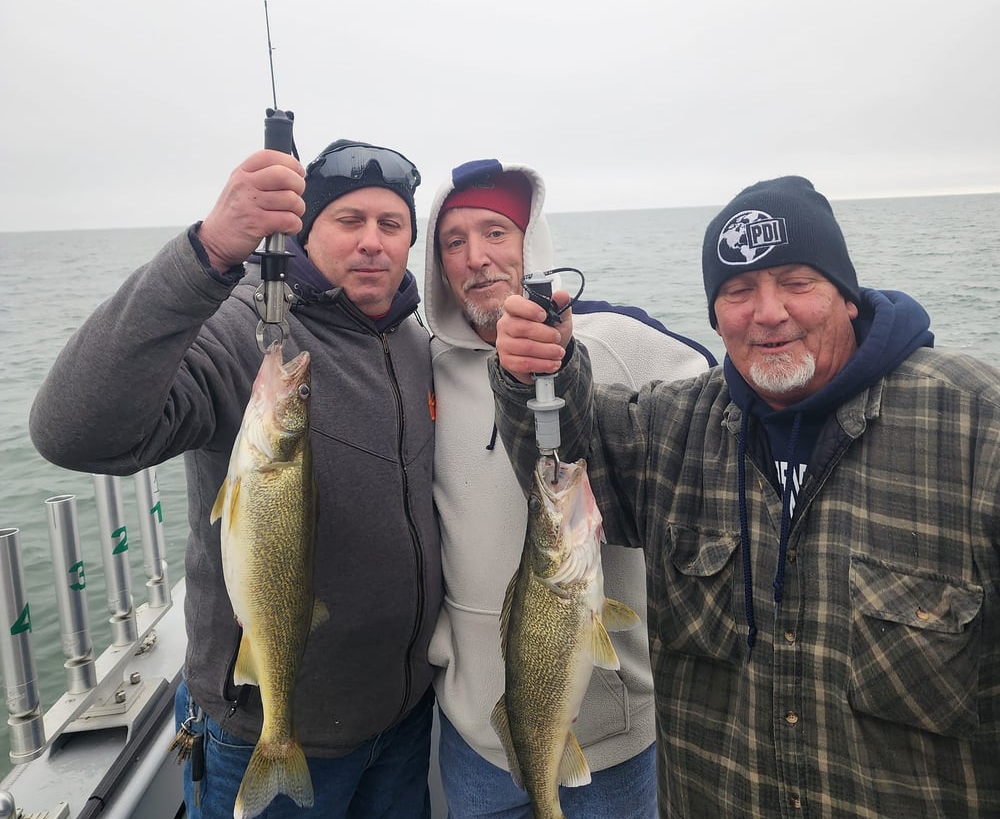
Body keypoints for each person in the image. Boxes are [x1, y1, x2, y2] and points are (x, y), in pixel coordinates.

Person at [489, 175, 1000, 818]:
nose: (767, 312)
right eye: (737, 290)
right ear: (715, 315)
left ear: (845, 294)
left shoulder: (979, 425)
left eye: (796, 281)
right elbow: (567, 458)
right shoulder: (673, 427)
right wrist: (537, 369)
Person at [30, 139, 442, 818]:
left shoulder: (416, 342)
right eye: (348, 220)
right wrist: (209, 253)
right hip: (260, 729)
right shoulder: (246, 328)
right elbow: (73, 430)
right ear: (307, 229)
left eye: (391, 224)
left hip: (401, 725)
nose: (372, 242)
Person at [423, 158, 715, 818]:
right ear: (437, 265)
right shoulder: (424, 365)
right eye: (454, 241)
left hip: (611, 739)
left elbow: (722, 410)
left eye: (497, 232)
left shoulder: (615, 341)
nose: (477, 257)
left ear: (534, 244)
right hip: (475, 737)